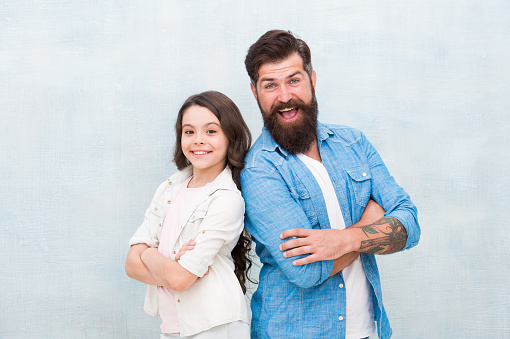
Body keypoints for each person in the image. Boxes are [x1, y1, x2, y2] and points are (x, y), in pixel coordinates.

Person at [241, 30, 420, 339]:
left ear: (312, 79)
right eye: (270, 85)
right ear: (255, 93)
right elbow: (306, 271)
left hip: (366, 330)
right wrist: (370, 221)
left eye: (294, 80)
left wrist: (343, 241)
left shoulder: (354, 143)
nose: (284, 96)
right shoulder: (259, 170)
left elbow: (410, 225)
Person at [125, 91, 253, 338]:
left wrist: (150, 252)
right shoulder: (169, 189)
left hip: (215, 326)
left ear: (230, 137)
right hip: (173, 328)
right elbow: (131, 265)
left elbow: (180, 279)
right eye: (189, 131)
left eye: (211, 131)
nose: (198, 140)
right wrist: (171, 265)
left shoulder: (226, 198)